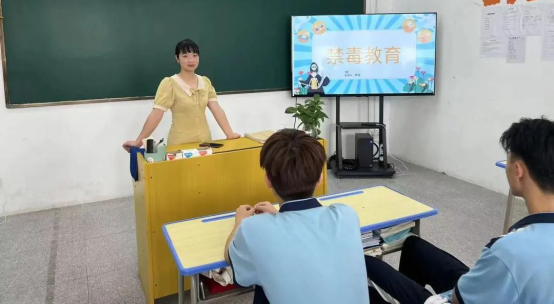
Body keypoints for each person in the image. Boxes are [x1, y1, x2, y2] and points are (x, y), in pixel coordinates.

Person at [365, 117, 554, 304]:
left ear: (518, 170)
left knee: (368, 264)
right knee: (414, 246)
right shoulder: (518, 247)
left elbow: (458, 300)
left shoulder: (508, 250)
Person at [224, 129, 369, 304]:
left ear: (268, 179)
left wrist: (240, 222)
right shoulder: (346, 214)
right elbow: (308, 230)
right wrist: (279, 216)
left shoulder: (253, 228)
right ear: (320, 178)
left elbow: (230, 257)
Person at [123, 39, 240, 151]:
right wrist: (138, 142)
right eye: (185, 56)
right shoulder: (170, 83)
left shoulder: (205, 82)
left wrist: (229, 133)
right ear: (177, 58)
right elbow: (156, 115)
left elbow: (217, 109)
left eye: (195, 55)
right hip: (179, 146)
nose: (191, 60)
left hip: (205, 143)